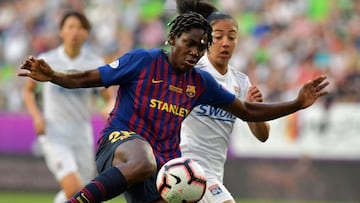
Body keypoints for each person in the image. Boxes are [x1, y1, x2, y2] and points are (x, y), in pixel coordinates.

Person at [18, 1, 329, 202]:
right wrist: (54, 75)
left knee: (152, 167)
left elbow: (247, 110)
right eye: (189, 44)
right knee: (143, 159)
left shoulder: (199, 82)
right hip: (120, 145)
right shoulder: (142, 61)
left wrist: (297, 103)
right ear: (172, 40)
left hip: (163, 169)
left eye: (200, 46)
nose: (195, 51)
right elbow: (88, 77)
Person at [22, 11, 114, 203]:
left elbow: (108, 96)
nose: (75, 32)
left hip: (82, 135)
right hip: (55, 133)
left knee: (82, 194)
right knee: (73, 188)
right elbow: (28, 91)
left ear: (87, 33)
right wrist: (36, 116)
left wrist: (108, 107)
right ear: (61, 32)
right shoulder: (47, 60)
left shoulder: (94, 63)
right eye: (70, 27)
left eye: (80, 28)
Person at [180, 10, 270, 203]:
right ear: (206, 39)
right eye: (218, 36)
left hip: (214, 171)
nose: (225, 43)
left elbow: (262, 135)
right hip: (187, 167)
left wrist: (255, 110)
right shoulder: (192, 73)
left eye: (232, 37)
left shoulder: (241, 81)